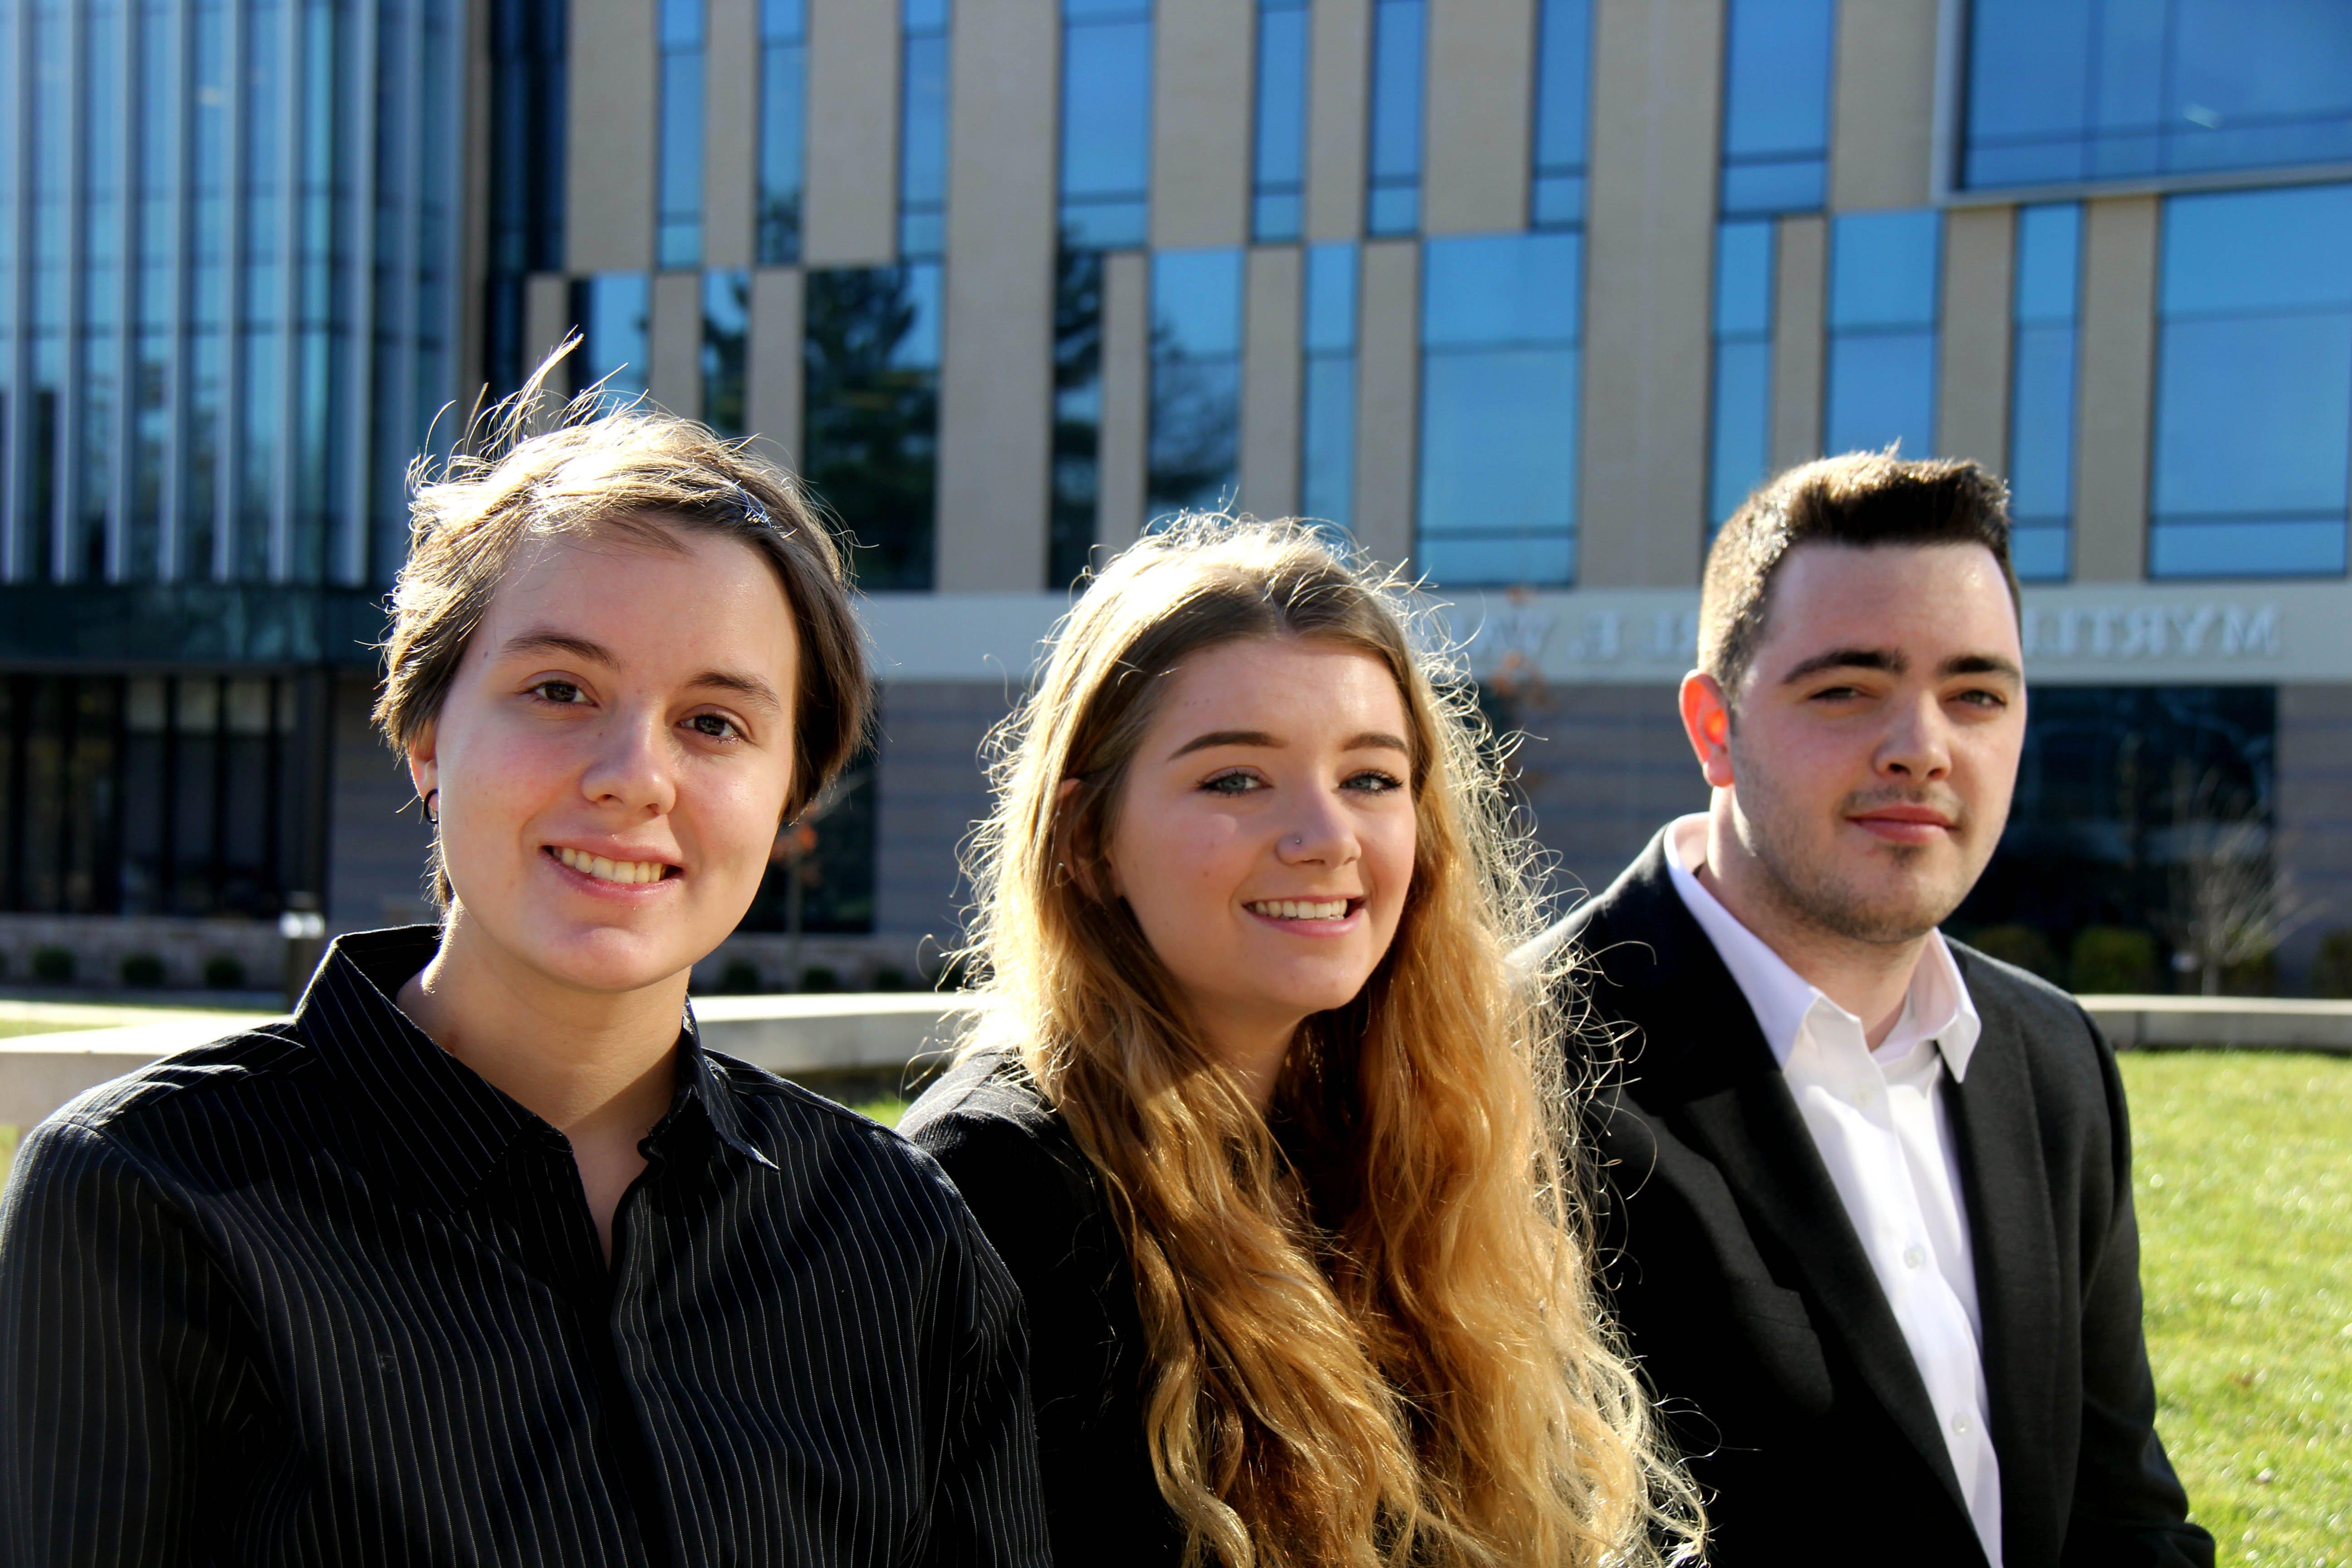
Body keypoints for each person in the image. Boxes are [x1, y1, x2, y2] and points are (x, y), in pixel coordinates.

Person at [0, 368, 1050, 1566]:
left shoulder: (902, 1241)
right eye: (560, 690)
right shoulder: (151, 1194)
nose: (631, 775)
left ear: (790, 798)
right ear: (425, 736)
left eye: (715, 724)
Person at [901, 516, 1699, 1568]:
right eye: (1236, 779)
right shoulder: (998, 1184)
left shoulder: (1410, 1142)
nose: (1326, 839)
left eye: (1370, 779)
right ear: (1090, 841)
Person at [1523, 453, 2214, 1567]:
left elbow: (2120, 1517)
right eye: (1847, 688)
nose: (1922, 747)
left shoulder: (2054, 1060)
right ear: (1713, 729)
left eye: (1977, 695)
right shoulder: (1509, 1063)